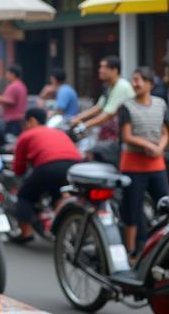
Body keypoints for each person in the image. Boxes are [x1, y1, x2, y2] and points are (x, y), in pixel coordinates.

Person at [8, 107, 83, 243]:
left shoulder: (26, 135)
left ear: (31, 121)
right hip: (75, 166)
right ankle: (62, 228)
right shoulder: (58, 132)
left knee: (25, 196)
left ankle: (26, 232)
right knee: (59, 193)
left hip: (48, 166)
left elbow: (19, 169)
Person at [119, 67, 169, 254]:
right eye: (133, 80)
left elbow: (165, 132)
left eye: (139, 80)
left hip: (156, 164)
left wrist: (160, 147)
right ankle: (131, 252)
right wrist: (149, 146)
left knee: (164, 204)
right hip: (133, 165)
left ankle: (160, 251)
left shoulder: (160, 104)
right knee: (132, 209)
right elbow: (127, 136)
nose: (135, 84)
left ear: (150, 84)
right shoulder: (126, 106)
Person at [71, 55, 133, 144]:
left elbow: (107, 115)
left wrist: (84, 125)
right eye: (100, 67)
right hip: (113, 131)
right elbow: (98, 107)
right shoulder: (110, 87)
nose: (100, 70)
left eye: (104, 67)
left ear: (115, 70)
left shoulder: (121, 86)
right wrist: (78, 117)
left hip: (121, 134)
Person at [0, 64, 28, 138]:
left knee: (11, 140)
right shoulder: (21, 85)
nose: (6, 76)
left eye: (7, 73)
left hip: (13, 120)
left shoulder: (14, 86)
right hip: (19, 119)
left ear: (12, 74)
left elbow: (11, 101)